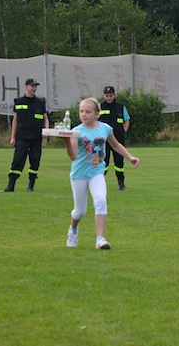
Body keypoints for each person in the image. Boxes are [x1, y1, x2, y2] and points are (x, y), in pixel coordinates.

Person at [62, 97, 140, 250]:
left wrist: (130, 157)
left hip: (96, 172)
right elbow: (73, 156)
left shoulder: (105, 128)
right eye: (81, 111)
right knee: (79, 212)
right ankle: (73, 230)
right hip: (79, 174)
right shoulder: (76, 131)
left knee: (100, 200)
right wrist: (66, 141)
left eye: (88, 112)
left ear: (97, 114)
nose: (84, 114)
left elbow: (116, 145)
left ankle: (100, 239)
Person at [0, 78, 50, 192]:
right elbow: (15, 120)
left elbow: (45, 119)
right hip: (22, 137)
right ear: (26, 87)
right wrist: (12, 137)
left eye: (36, 86)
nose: (34, 88)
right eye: (32, 86)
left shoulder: (40, 102)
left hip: (36, 138)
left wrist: (46, 131)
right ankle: (11, 186)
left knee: (35, 160)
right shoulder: (18, 101)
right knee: (17, 160)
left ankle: (31, 186)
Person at [99, 86, 131, 190]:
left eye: (111, 95)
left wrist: (124, 131)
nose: (109, 98)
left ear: (114, 95)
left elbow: (127, 120)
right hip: (104, 140)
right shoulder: (99, 107)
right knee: (103, 161)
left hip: (118, 139)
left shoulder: (120, 107)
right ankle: (99, 183)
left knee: (119, 162)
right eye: (107, 96)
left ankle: (121, 183)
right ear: (104, 96)